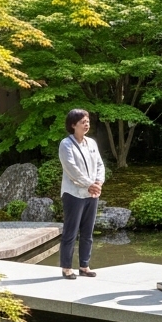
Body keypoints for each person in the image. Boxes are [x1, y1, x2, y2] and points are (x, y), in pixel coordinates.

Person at [57, 108, 105, 279]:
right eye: (83, 122)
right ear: (73, 125)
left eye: (88, 122)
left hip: (92, 194)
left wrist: (98, 182)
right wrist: (89, 184)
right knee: (71, 231)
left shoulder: (91, 143)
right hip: (73, 194)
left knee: (88, 232)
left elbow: (100, 164)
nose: (86, 125)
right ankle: (66, 267)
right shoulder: (66, 144)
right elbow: (72, 169)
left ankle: (84, 265)